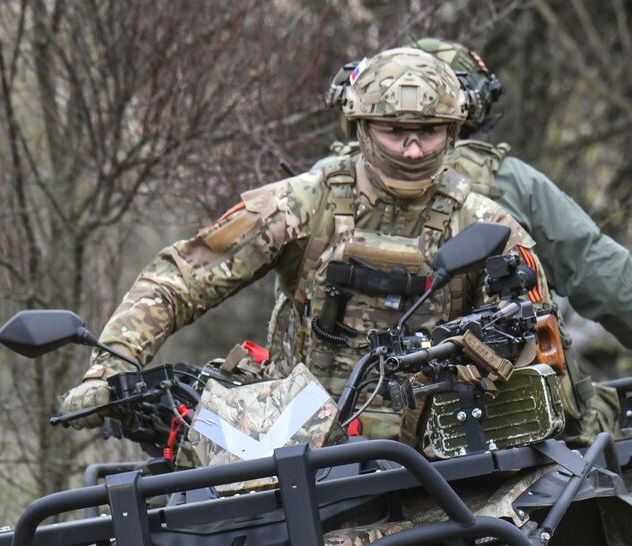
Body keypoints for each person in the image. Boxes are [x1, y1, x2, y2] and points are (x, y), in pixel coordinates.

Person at [59, 47, 553, 439]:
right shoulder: (302, 204)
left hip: (436, 454)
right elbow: (181, 279)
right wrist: (107, 369)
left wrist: (492, 349)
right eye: (395, 131)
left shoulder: (487, 225)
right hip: (290, 443)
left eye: (428, 131)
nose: (412, 148)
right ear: (360, 127)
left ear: (453, 132)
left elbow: (538, 336)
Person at [266, 37, 632, 399]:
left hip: (319, 405)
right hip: (468, 409)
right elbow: (592, 266)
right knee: (597, 417)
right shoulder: (507, 181)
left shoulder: (327, 180)